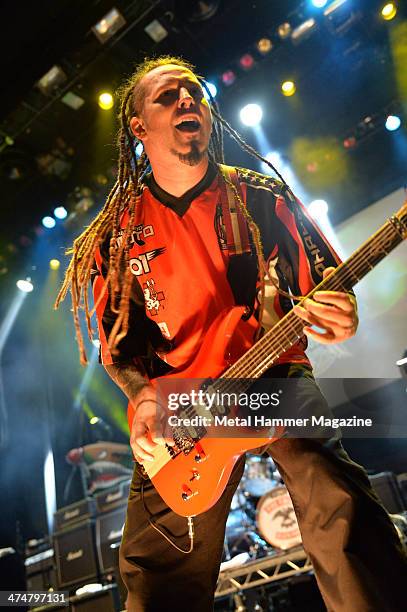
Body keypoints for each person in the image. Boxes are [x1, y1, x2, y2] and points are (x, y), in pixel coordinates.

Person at [56, 56, 406, 611]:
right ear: (138, 128)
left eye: (193, 92)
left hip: (272, 371)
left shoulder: (263, 198)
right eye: (168, 97)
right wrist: (142, 394)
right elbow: (119, 350)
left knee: (336, 500)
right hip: (182, 401)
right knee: (158, 569)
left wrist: (344, 314)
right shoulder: (115, 235)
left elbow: (329, 289)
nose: (187, 101)